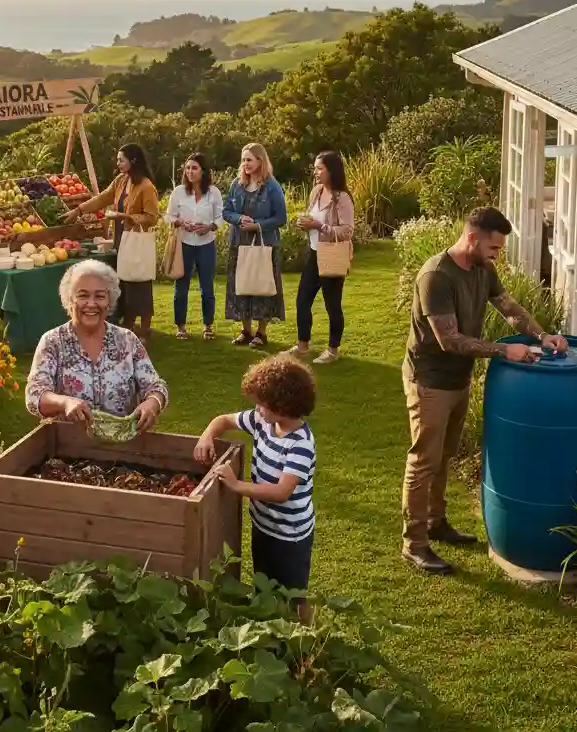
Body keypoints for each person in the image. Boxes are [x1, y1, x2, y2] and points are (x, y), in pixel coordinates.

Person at [401, 205, 569, 576]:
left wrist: (542, 335)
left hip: (458, 380)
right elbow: (449, 340)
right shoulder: (436, 276)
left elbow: (508, 308)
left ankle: (435, 522)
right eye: (493, 247)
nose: (497, 255)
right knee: (424, 461)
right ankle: (414, 543)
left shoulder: (483, 269)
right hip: (429, 381)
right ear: (473, 238)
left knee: (444, 455)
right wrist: (504, 350)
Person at [194, 355, 316, 608]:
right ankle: (267, 624)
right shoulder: (262, 422)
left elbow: (282, 491)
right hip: (263, 525)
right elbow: (223, 421)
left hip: (290, 537)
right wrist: (207, 436)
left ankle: (302, 631)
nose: (257, 408)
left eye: (262, 404)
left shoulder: (300, 445)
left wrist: (237, 485)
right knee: (264, 584)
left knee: (292, 596)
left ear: (282, 406)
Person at [26, 259, 168, 430]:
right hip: (68, 442)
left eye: (100, 296)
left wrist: (152, 403)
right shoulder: (52, 342)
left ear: (109, 302)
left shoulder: (127, 340)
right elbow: (34, 395)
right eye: (83, 295)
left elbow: (156, 386)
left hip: (123, 441)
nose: (91, 304)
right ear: (69, 300)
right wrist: (65, 402)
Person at [65, 143, 159, 338]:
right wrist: (78, 210)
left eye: (121, 160)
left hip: (135, 240)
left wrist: (127, 217)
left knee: (139, 282)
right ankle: (128, 322)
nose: (117, 163)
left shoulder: (146, 186)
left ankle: (144, 327)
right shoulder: (121, 181)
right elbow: (102, 199)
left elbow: (152, 217)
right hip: (121, 238)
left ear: (133, 161)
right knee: (125, 282)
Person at [290, 150, 355, 364]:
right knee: (302, 300)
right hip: (314, 253)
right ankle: (303, 346)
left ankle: (332, 350)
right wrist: (305, 224)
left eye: (320, 168)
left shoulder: (342, 198)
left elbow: (347, 231)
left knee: (332, 305)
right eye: (315, 168)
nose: (316, 172)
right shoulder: (316, 192)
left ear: (332, 171)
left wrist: (320, 226)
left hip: (332, 255)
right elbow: (313, 220)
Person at [223, 142, 287, 348]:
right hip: (239, 243)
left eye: (249, 159)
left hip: (263, 244)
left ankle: (261, 332)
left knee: (261, 285)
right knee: (242, 285)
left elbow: (281, 217)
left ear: (261, 161)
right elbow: (226, 211)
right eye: (243, 160)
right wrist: (238, 219)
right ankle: (246, 330)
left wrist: (257, 225)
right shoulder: (237, 184)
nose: (245, 164)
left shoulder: (272, 186)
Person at [165, 153, 224, 341]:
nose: (190, 171)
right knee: (181, 287)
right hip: (184, 244)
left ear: (203, 171)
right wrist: (180, 222)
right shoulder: (178, 192)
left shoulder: (213, 193)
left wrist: (209, 227)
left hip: (206, 244)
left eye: (194, 168)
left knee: (207, 288)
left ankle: (208, 326)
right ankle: (181, 327)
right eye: (188, 168)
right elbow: (168, 216)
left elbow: (220, 217)